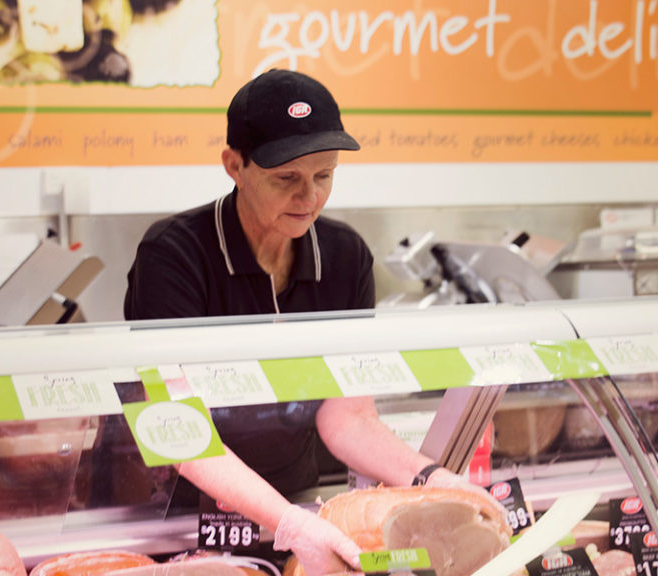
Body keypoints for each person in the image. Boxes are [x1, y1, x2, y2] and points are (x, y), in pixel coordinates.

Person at [124, 69, 502, 576]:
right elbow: (177, 432)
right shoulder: (174, 255)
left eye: (324, 175)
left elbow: (347, 417)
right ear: (234, 166)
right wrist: (291, 524)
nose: (309, 197)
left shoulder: (345, 256)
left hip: (297, 499)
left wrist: (431, 478)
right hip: (178, 516)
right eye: (287, 179)